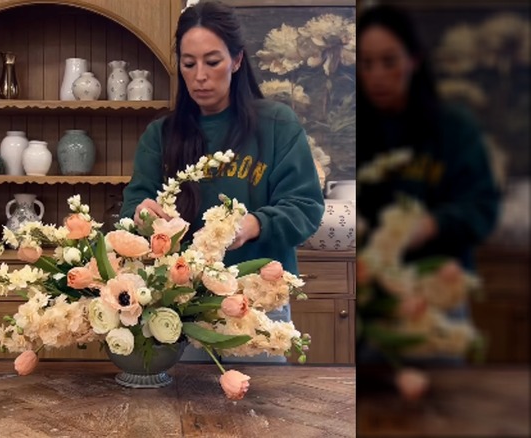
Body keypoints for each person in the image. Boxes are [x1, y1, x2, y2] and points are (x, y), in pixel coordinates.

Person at [119, 0, 325, 361]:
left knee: (259, 409)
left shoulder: (277, 126)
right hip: (179, 309)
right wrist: (141, 216)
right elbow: (131, 208)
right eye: (189, 63)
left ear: (237, 60)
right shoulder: (160, 136)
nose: (200, 75)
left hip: (257, 304)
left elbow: (306, 207)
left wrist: (254, 224)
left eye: (212, 62)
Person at [356, 5, 501, 364]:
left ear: (414, 60)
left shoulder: (454, 129)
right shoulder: (355, 130)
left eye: (389, 61)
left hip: (437, 295)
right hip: (370, 300)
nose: (377, 76)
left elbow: (482, 206)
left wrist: (430, 225)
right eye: (366, 63)